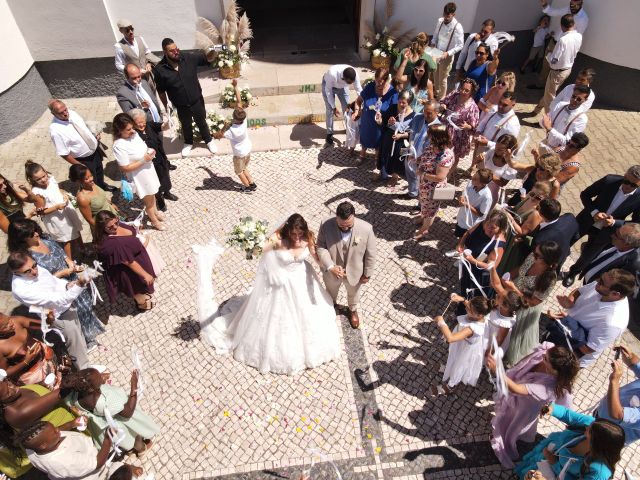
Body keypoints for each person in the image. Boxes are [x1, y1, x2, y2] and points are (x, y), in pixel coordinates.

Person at [199, 214, 341, 374]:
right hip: (280, 283)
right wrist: (248, 241)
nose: (296, 237)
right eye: (293, 234)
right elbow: (256, 252)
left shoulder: (308, 237)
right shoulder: (277, 239)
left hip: (302, 278)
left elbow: (316, 257)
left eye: (299, 234)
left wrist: (330, 267)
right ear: (288, 230)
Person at [7, 219, 105, 349]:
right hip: (61, 289)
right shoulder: (28, 259)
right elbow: (46, 281)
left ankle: (92, 327)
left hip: (71, 278)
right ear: (22, 239)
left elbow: (59, 250)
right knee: (77, 314)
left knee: (86, 305)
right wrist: (64, 272)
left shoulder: (43, 237)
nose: (36, 234)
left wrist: (70, 262)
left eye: (35, 230)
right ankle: (86, 340)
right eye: (31, 234)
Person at [489, 343, 579, 468]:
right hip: (523, 400)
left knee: (513, 423)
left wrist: (497, 371)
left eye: (545, 359)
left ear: (554, 370)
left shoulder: (548, 387)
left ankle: (506, 442)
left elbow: (516, 389)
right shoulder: (547, 355)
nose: (542, 355)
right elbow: (524, 363)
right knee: (509, 416)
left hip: (525, 408)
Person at [9, 251, 91, 370]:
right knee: (72, 340)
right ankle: (85, 371)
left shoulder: (34, 267)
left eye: (34, 266)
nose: (34, 271)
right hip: (57, 314)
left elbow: (52, 281)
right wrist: (80, 284)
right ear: (15, 273)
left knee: (77, 333)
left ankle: (84, 354)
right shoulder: (21, 289)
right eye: (27, 271)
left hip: (66, 305)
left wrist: (67, 285)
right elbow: (59, 300)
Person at [563, 166, 640, 284]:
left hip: (607, 232)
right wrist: (595, 212)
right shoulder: (610, 180)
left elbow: (636, 222)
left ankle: (572, 273)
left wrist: (615, 223)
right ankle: (554, 264)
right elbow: (585, 194)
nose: (628, 186)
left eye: (633, 185)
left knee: (588, 256)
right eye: (626, 181)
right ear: (624, 175)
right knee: (567, 242)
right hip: (586, 220)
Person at [547, 269, 633, 368]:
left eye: (601, 282)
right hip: (559, 333)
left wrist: (564, 322)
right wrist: (571, 301)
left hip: (568, 356)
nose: (597, 281)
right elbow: (579, 291)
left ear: (615, 294)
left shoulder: (613, 322)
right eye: (601, 277)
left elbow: (587, 349)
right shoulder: (600, 285)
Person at [64, 368, 159, 455]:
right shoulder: (103, 402)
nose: (102, 377)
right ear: (92, 388)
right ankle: (140, 449)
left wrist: (100, 380)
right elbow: (128, 412)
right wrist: (134, 385)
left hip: (105, 423)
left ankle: (129, 448)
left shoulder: (77, 395)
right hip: (120, 421)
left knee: (124, 440)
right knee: (134, 432)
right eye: (99, 378)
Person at [516, 404, 624, 480]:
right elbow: (568, 415)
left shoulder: (599, 473)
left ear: (598, 442)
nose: (587, 426)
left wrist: (553, 463)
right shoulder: (593, 425)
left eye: (590, 430)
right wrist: (551, 409)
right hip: (543, 460)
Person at [0, 377, 79, 478]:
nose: (12, 387)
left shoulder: (21, 390)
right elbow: (60, 394)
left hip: (74, 428)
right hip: (65, 443)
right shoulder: (18, 414)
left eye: (7, 382)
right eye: (7, 392)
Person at [153, 38, 217, 157]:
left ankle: (208, 140)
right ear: (165, 52)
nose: (176, 52)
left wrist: (214, 49)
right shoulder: (159, 70)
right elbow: (161, 90)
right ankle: (188, 142)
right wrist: (166, 106)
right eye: (172, 51)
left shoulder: (189, 58)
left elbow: (207, 58)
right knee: (185, 124)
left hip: (197, 100)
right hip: (180, 105)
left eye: (177, 49)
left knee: (201, 121)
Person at [499, 241, 561, 366]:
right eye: (534, 252)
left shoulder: (549, 279)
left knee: (512, 335)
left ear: (548, 261)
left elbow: (534, 302)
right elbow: (520, 269)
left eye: (538, 256)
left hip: (525, 307)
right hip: (511, 296)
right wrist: (509, 275)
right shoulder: (533, 256)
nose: (534, 256)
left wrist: (514, 289)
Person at [317, 203, 376, 329]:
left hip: (354, 273)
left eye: (348, 225)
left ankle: (352, 310)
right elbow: (321, 247)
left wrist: (367, 274)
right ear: (336, 217)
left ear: (354, 216)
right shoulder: (326, 224)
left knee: (353, 294)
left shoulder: (366, 229)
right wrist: (330, 266)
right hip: (332, 272)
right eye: (341, 225)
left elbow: (371, 254)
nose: (345, 228)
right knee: (331, 292)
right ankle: (331, 306)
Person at [48, 99, 116, 192]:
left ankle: (102, 185)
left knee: (99, 170)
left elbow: (84, 126)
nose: (65, 113)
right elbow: (64, 154)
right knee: (90, 179)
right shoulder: (56, 131)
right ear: (53, 113)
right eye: (61, 112)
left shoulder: (72, 113)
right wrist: (80, 165)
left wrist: (94, 133)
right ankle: (96, 194)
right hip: (83, 159)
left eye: (65, 109)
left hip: (95, 150)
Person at [94, 211, 156, 311]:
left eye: (116, 222)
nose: (115, 227)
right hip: (126, 270)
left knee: (140, 285)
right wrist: (145, 274)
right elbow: (128, 261)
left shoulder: (116, 226)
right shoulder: (114, 243)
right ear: (102, 228)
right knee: (136, 288)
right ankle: (142, 304)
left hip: (134, 261)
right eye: (110, 227)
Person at [112, 112, 164, 231]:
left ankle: (155, 213)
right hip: (139, 175)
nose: (132, 131)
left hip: (148, 169)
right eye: (128, 129)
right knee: (148, 200)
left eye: (132, 127)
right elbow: (124, 167)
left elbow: (141, 147)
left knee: (153, 193)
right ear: (119, 130)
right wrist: (143, 160)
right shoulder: (119, 145)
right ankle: (154, 221)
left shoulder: (134, 134)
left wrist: (148, 152)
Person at [23, 161, 83, 260]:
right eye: (38, 179)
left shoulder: (50, 179)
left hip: (66, 210)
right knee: (66, 239)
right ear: (32, 180)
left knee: (75, 228)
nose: (43, 180)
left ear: (45, 172)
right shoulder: (37, 193)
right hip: (57, 218)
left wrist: (64, 194)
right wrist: (56, 207)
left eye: (44, 176)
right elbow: (41, 212)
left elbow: (58, 190)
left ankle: (82, 248)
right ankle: (69, 261)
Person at [16, 420, 114, 480]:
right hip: (95, 472)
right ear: (43, 445)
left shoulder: (32, 449)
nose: (58, 430)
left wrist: (72, 424)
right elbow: (97, 463)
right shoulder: (63, 461)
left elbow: (51, 432)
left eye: (55, 427)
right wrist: (107, 440)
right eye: (55, 432)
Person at [527, 14, 583, 117]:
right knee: (548, 93)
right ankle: (537, 110)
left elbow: (553, 60)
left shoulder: (563, 39)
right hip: (567, 70)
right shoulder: (579, 36)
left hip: (557, 72)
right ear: (573, 24)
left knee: (550, 97)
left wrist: (548, 54)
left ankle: (549, 119)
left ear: (562, 26)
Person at [455, 209, 508, 309]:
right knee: (465, 287)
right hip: (469, 265)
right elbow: (467, 234)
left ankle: (470, 312)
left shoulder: (498, 246)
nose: (488, 228)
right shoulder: (481, 225)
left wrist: (473, 261)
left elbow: (491, 267)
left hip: (479, 275)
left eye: (493, 227)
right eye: (487, 224)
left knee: (475, 296)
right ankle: (463, 304)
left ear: (500, 229)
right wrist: (461, 244)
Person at [530, 0, 589, 90]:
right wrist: (544, 4)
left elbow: (577, 37)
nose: (572, 7)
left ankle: (549, 92)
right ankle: (540, 85)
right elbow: (554, 12)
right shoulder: (568, 9)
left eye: (575, 5)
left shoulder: (583, 19)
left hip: (564, 48)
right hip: (554, 42)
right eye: (571, 4)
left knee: (556, 71)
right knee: (546, 65)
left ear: (581, 4)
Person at [436, 295, 491, 388]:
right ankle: (449, 369)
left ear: (479, 315)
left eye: (469, 309)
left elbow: (450, 338)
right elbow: (470, 305)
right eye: (468, 305)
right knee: (454, 358)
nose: (466, 308)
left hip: (465, 349)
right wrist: (463, 299)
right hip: (462, 344)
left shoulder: (471, 329)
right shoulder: (480, 314)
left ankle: (450, 386)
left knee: (459, 365)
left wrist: (441, 322)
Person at [498, 181, 552, 275]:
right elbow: (516, 209)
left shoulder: (536, 214)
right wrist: (508, 208)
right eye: (532, 194)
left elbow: (522, 232)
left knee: (500, 264)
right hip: (506, 232)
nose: (532, 198)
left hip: (512, 241)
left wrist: (509, 217)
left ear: (544, 199)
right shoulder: (527, 198)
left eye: (538, 198)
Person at [129, 108, 177, 212]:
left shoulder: (150, 125)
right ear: (133, 123)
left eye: (143, 122)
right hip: (148, 164)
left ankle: (167, 193)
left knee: (165, 176)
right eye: (138, 123)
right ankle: (160, 199)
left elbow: (162, 127)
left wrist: (168, 123)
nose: (142, 125)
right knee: (155, 183)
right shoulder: (133, 134)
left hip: (160, 158)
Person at [565, 223, 640, 288]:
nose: (612, 235)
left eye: (617, 235)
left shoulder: (630, 265)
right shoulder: (613, 241)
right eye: (616, 231)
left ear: (626, 244)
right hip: (587, 277)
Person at [213, 80, 256, 193]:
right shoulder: (244, 118)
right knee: (244, 167)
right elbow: (239, 100)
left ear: (235, 118)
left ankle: (247, 187)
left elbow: (218, 136)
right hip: (247, 149)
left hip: (239, 154)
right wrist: (236, 86)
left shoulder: (232, 131)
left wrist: (224, 126)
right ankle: (252, 183)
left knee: (239, 171)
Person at [415, 124, 454, 240]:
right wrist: (418, 159)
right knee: (423, 203)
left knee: (431, 210)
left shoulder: (446, 156)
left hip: (433, 188)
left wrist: (423, 174)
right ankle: (423, 217)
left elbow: (440, 177)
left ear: (438, 137)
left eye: (430, 135)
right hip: (424, 185)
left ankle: (424, 229)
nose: (428, 137)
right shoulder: (432, 146)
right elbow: (426, 156)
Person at [0, 312, 61, 387]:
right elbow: (5, 372)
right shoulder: (1, 348)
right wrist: (26, 361)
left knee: (61, 377)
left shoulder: (17, 321)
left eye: (9, 319)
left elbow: (42, 324)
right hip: (32, 375)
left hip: (45, 356)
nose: (11, 324)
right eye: (5, 326)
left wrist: (48, 320)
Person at [598, 345, 640, 445]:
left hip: (607, 438)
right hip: (600, 416)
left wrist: (614, 380)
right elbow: (636, 364)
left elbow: (618, 414)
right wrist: (630, 357)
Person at [353, 67, 398, 162]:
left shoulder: (392, 92)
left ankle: (377, 158)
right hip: (367, 120)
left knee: (379, 140)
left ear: (386, 80)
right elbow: (358, 100)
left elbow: (395, 111)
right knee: (365, 136)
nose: (378, 84)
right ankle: (362, 153)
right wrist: (357, 111)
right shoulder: (370, 87)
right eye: (377, 81)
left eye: (381, 82)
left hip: (381, 123)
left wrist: (387, 119)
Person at [440, 78, 480, 179]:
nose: (463, 92)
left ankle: (446, 176)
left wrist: (468, 126)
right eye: (462, 89)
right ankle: (438, 171)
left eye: (466, 90)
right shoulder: (454, 95)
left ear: (472, 92)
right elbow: (443, 101)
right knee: (440, 152)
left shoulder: (473, 107)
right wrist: (443, 105)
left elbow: (474, 126)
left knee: (454, 156)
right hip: (445, 129)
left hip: (459, 135)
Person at [405, 100, 441, 206]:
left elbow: (436, 150)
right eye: (424, 111)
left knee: (423, 184)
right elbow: (405, 128)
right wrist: (393, 124)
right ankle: (412, 193)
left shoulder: (439, 128)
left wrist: (421, 159)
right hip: (411, 155)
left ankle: (421, 206)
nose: (425, 115)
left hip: (425, 161)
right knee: (410, 175)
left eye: (429, 113)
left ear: (437, 112)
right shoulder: (418, 118)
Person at [376, 89, 415, 185]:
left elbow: (413, 133)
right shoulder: (393, 108)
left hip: (402, 143)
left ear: (409, 103)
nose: (401, 104)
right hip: (389, 138)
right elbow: (384, 123)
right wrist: (380, 120)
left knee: (398, 160)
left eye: (404, 103)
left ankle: (395, 176)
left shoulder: (413, 115)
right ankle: (383, 173)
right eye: (399, 101)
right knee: (385, 155)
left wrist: (401, 135)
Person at [429, 2, 464, 100]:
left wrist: (448, 53)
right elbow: (435, 35)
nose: (445, 17)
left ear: (453, 14)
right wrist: (432, 43)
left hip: (447, 55)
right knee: (435, 74)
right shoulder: (440, 21)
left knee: (442, 79)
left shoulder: (458, 27)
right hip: (436, 52)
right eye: (444, 14)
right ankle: (436, 93)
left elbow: (460, 45)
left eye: (448, 15)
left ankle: (441, 99)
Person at [473, 91, 520, 163]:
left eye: (505, 105)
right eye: (500, 102)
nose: (500, 106)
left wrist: (487, 143)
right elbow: (484, 122)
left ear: (513, 105)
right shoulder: (494, 109)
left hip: (494, 156)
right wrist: (478, 132)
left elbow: (509, 148)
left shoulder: (513, 125)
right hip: (480, 146)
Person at [69, 164, 121, 229]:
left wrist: (111, 204)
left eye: (91, 175)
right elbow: (90, 220)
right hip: (104, 225)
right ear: (79, 181)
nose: (91, 179)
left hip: (112, 215)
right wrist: (104, 231)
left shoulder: (92, 184)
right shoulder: (82, 198)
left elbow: (101, 197)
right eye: (86, 178)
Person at [322, 64, 363, 146]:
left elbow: (359, 89)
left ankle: (349, 130)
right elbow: (328, 92)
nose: (351, 84)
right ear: (343, 78)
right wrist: (333, 107)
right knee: (329, 110)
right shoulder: (332, 74)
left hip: (343, 88)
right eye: (349, 82)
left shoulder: (354, 75)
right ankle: (329, 133)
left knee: (347, 109)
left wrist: (364, 101)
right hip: (329, 86)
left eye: (351, 82)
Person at [531, 198, 579, 267]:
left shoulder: (540, 238)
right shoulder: (570, 217)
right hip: (563, 256)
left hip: (549, 263)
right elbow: (576, 236)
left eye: (538, 207)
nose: (535, 207)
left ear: (541, 214)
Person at [540, 85, 590, 150]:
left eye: (579, 99)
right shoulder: (561, 105)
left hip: (560, 151)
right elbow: (542, 121)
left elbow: (568, 141)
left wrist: (550, 128)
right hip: (546, 142)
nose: (574, 100)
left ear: (585, 100)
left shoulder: (582, 119)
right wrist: (545, 124)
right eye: (573, 96)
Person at [477, 134, 519, 206]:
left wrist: (488, 174)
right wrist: (478, 160)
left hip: (491, 194)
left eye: (500, 149)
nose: (496, 150)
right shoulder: (492, 151)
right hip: (478, 187)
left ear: (509, 150)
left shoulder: (511, 165)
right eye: (496, 146)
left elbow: (502, 183)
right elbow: (479, 166)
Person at [455, 168, 493, 238]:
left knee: (463, 238)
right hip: (461, 217)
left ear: (482, 183)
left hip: (469, 223)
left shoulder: (487, 197)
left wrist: (467, 205)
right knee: (458, 232)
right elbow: (465, 194)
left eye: (475, 179)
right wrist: (461, 197)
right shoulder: (471, 183)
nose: (472, 178)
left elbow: (481, 215)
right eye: (474, 175)